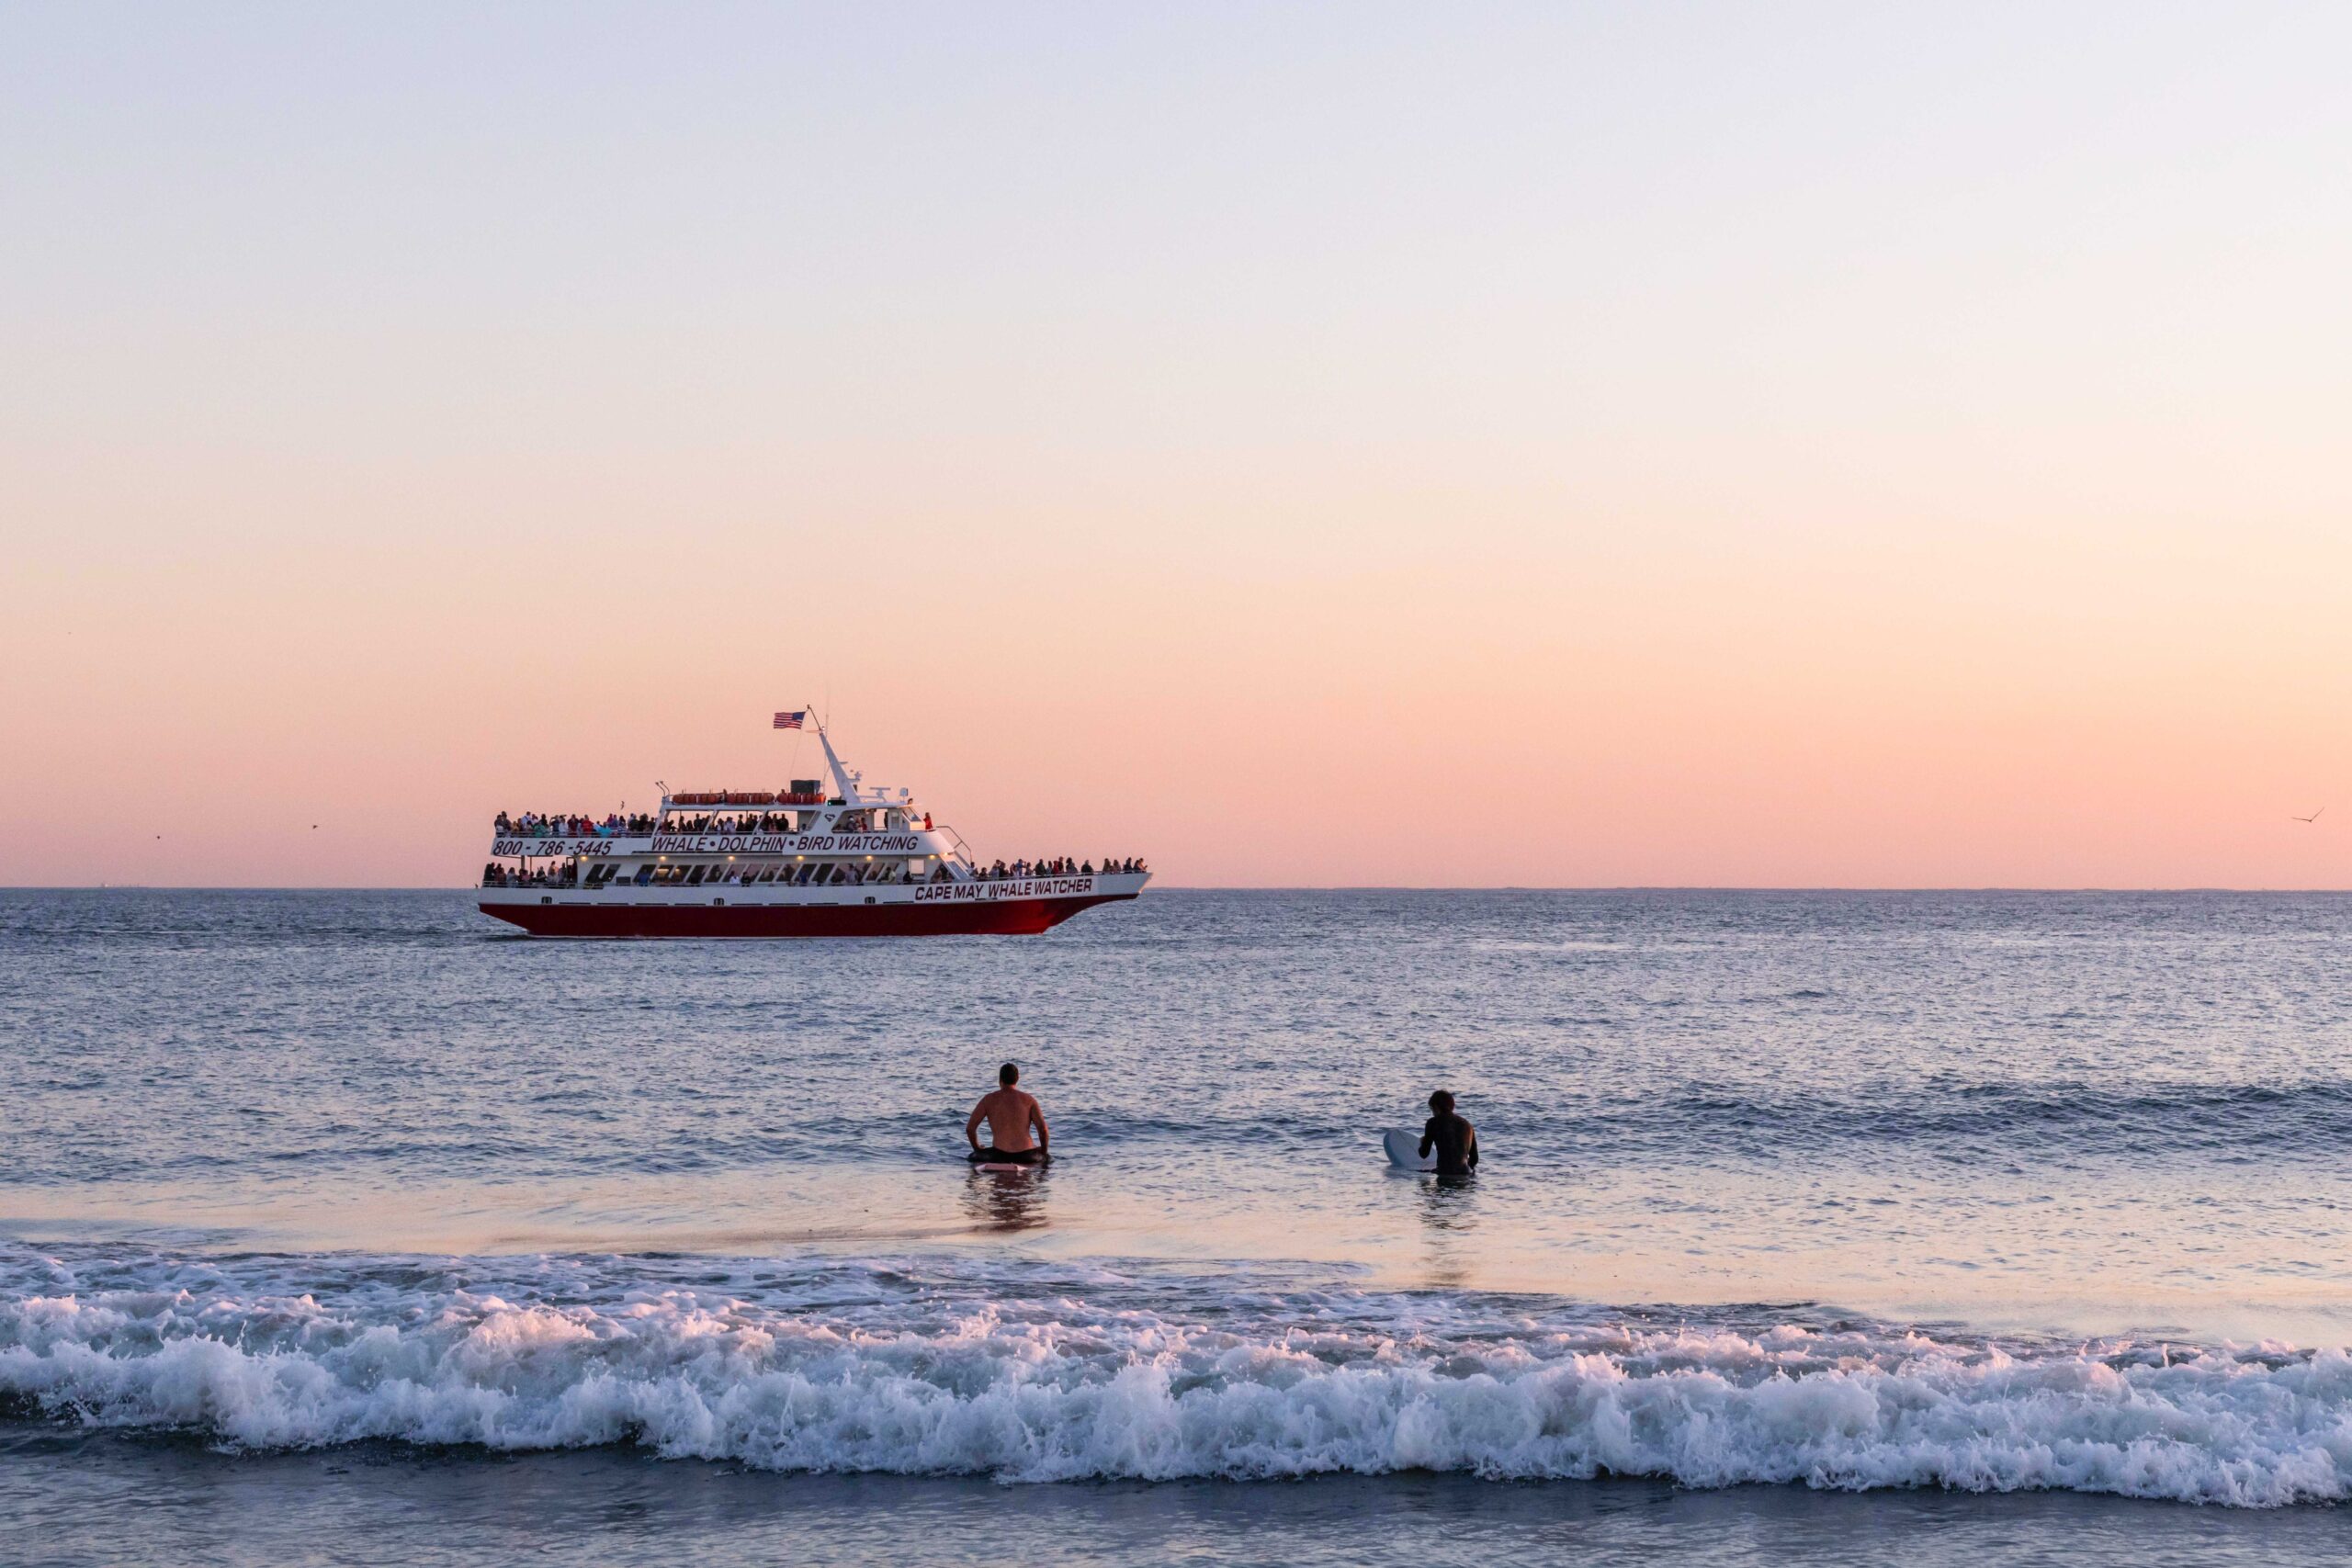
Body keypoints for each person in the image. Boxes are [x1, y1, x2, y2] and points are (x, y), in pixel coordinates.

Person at [967, 1062, 1050, 1165]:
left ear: (1000, 1080)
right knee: (1048, 1158)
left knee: (972, 1157)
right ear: (1017, 1079)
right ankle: (1042, 1178)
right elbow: (1043, 1130)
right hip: (1026, 1156)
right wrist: (1043, 1152)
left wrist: (978, 1149)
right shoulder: (1029, 1100)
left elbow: (970, 1129)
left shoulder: (988, 1099)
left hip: (998, 1156)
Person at [1419, 1090, 1478, 1177]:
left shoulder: (1433, 1122)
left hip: (1444, 1172)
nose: (1433, 1113)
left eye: (1432, 1110)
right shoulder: (1468, 1125)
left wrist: (1422, 1142)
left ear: (1436, 1107)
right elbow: (1474, 1160)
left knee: (1422, 1182)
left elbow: (1424, 1154)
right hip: (1464, 1174)